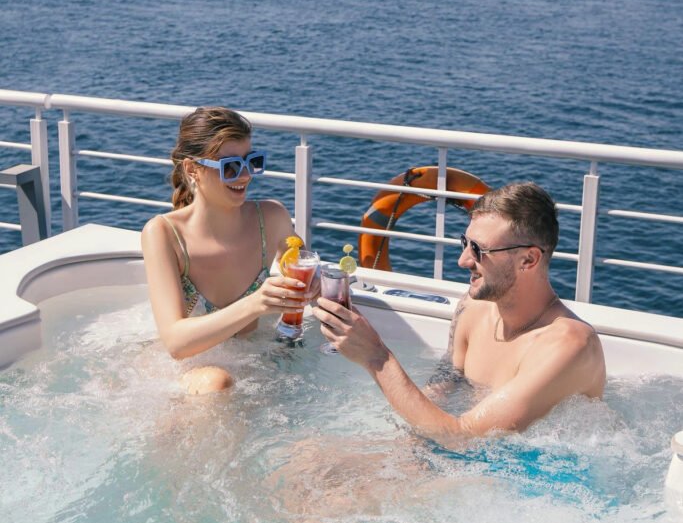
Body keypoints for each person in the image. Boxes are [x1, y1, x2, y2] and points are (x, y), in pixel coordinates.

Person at [313, 182, 606, 445]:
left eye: (478, 250)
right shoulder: (474, 305)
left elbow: (465, 438)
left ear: (528, 259)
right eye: (465, 243)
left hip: (532, 480)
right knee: (309, 459)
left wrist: (376, 357)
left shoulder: (569, 344)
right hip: (468, 460)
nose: (463, 260)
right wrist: (406, 447)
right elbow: (447, 378)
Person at [142, 106, 315, 394]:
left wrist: (314, 285)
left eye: (251, 162)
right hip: (187, 373)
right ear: (192, 169)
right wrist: (257, 303)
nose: (245, 175)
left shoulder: (270, 218)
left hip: (251, 362)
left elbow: (301, 266)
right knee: (217, 383)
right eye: (230, 167)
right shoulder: (164, 234)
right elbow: (175, 343)